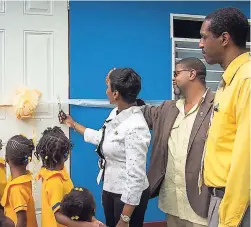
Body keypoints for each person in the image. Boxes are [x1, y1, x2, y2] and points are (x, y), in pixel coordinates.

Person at [64, 68, 151, 227]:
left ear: (116, 94)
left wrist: (125, 219)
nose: (106, 91)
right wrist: (73, 124)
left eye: (108, 87)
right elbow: (102, 138)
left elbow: (136, 177)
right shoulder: (117, 113)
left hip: (127, 197)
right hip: (110, 187)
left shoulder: (136, 126)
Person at [142, 57, 214, 227]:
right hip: (172, 205)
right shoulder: (169, 108)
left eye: (176, 73)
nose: (173, 78)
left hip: (202, 207)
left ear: (192, 74)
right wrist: (122, 87)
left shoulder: (217, 106)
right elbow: (142, 112)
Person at [200, 7, 250, 227]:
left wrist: (230, 219)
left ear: (225, 39)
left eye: (204, 37)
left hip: (238, 206)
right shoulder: (229, 81)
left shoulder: (246, 80)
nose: (200, 44)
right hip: (222, 199)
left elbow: (246, 157)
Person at [35, 126, 104, 227]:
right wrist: (87, 225)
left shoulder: (54, 170)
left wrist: (93, 220)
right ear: (65, 154)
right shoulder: (54, 181)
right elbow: (58, 216)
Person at [0, 135, 38, 227]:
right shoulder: (21, 179)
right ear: (29, 159)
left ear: (6, 159)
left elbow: (22, 221)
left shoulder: (17, 189)